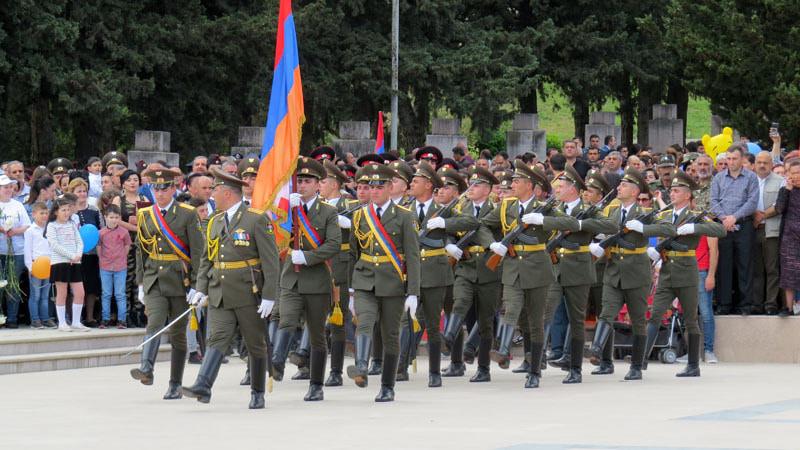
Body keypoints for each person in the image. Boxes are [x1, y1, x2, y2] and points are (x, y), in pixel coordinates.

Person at [183, 168, 279, 409]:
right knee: (216, 339)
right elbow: (207, 259)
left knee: (255, 343)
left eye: (215, 190)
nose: (212, 194)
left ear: (227, 193)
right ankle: (203, 385)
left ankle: (257, 392)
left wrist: (270, 296)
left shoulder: (256, 219)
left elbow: (270, 261)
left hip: (248, 292)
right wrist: (201, 288)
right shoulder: (215, 221)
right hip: (220, 291)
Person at [346, 163, 420, 402]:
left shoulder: (405, 216)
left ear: (389, 188)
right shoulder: (360, 215)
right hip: (364, 280)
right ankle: (361, 367)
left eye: (379, 187)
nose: (374, 191)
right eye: (371, 187)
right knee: (364, 323)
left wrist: (413, 292)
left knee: (390, 336)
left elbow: (413, 256)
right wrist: (350, 289)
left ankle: (387, 386)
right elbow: (353, 253)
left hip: (393, 282)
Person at [129, 168, 204, 400]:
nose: (159, 193)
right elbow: (141, 251)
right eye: (156, 189)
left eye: (164, 188)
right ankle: (146, 368)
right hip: (154, 278)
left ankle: (175, 383)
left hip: (180, 280)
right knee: (154, 322)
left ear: (173, 188)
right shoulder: (145, 214)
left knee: (178, 335)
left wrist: (197, 285)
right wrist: (140, 283)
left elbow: (198, 252)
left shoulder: (187, 214)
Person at [270, 157, 341, 402]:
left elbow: (333, 244)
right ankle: (277, 361)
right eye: (299, 180)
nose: (302, 185)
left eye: (308, 181)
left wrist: (308, 257)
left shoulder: (328, 212)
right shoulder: (287, 209)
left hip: (317, 280)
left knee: (317, 335)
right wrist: (283, 214)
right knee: (286, 320)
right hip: (291, 278)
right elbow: (274, 238)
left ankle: (316, 384)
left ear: (318, 185)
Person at [480, 162, 556, 388]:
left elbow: (569, 222)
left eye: (517, 181)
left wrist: (543, 220)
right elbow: (482, 225)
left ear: (529, 186)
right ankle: (503, 349)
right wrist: (492, 244)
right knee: (510, 308)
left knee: (535, 321)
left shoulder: (543, 207)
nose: (512, 184)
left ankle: (534, 370)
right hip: (513, 267)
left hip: (538, 270)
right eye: (512, 181)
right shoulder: (506, 206)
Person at [643, 171, 726, 377]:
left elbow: (720, 230)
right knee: (655, 315)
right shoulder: (664, 215)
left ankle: (693, 365)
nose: (672, 194)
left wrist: (695, 228)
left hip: (687, 272)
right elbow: (651, 229)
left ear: (688, 195)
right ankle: (640, 361)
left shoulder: (694, 216)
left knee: (690, 319)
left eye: (677, 191)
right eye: (671, 190)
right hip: (667, 271)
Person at [542, 166, 616, 384]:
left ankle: (575, 368)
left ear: (573, 189)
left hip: (578, 270)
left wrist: (581, 224)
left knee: (576, 320)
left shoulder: (588, 210)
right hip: (556, 268)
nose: (556, 189)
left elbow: (611, 225)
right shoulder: (555, 208)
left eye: (561, 186)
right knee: (545, 313)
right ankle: (535, 363)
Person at [588, 168, 662, 381]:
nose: (619, 188)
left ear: (635, 191)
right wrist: (597, 242)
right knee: (606, 313)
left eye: (624, 185)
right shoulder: (611, 212)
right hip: (613, 271)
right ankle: (597, 350)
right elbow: (599, 226)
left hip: (636, 273)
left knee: (638, 320)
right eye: (620, 184)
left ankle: (637, 365)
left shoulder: (644, 213)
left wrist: (643, 229)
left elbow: (666, 229)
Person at [441, 167, 500, 382]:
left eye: (477, 185)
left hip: (488, 269)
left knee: (485, 321)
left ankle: (483, 368)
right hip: (465, 266)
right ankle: (448, 337)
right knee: (460, 301)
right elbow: (446, 231)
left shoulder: (497, 210)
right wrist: (449, 245)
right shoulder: (460, 208)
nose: (471, 188)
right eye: (471, 184)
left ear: (487, 189)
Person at [397, 161, 451, 387]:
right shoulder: (404, 209)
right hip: (411, 273)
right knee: (405, 322)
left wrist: (445, 222)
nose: (411, 184)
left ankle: (434, 372)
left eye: (416, 181)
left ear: (428, 185)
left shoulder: (441, 209)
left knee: (432, 324)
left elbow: (469, 221)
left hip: (435, 273)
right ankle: (401, 368)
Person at [320, 160, 359, 387]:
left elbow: (364, 233)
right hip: (317, 265)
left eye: (323, 181)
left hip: (340, 267)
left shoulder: (350, 205)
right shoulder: (316, 206)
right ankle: (309, 365)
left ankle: (335, 371)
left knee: (338, 319)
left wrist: (350, 224)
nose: (319, 185)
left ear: (334, 184)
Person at [710, 144, 759, 315]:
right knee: (724, 265)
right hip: (723, 226)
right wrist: (725, 218)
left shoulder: (751, 177)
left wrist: (734, 217)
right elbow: (713, 201)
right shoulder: (718, 178)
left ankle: (745, 304)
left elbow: (752, 202)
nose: (731, 162)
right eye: (728, 159)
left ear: (742, 159)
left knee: (745, 264)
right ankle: (724, 304)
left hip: (744, 224)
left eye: (734, 159)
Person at [46, 196, 88, 332]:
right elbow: (54, 245)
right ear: (56, 212)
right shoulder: (52, 226)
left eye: (68, 210)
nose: (66, 213)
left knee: (80, 292)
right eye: (63, 210)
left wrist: (78, 254)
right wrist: (71, 256)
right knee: (62, 293)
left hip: (75, 262)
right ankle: (62, 323)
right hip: (60, 263)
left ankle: (76, 322)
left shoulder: (72, 224)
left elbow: (79, 241)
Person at [112, 169, 147, 327]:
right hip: (124, 243)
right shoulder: (118, 200)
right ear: (123, 183)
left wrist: (140, 224)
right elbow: (116, 220)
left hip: (141, 243)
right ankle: (124, 314)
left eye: (135, 179)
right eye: (129, 180)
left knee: (140, 277)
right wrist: (134, 227)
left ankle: (139, 312)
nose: (133, 183)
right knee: (126, 277)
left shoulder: (144, 199)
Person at [67, 178, 102, 326]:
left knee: (91, 286)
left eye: (84, 191)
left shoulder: (94, 210)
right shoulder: (68, 211)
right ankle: (73, 317)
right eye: (79, 191)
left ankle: (89, 317)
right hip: (73, 255)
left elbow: (100, 230)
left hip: (91, 254)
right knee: (73, 287)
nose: (82, 194)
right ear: (72, 193)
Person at [751, 152, 784, 314]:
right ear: (754, 164)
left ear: (771, 164)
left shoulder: (780, 181)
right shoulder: (749, 180)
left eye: (765, 162)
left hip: (771, 230)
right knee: (756, 269)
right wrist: (753, 215)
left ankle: (771, 304)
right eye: (759, 162)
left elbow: (780, 204)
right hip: (753, 230)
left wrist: (762, 216)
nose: (762, 165)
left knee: (772, 268)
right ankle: (756, 304)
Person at [0, 175, 31, 328]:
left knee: (13, 284)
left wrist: (14, 231)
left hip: (17, 251)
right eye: (4, 187)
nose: (8, 190)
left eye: (10, 187)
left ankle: (12, 318)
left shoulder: (18, 205)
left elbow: (27, 225)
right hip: (1, 251)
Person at [97, 204, 132, 329]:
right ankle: (105, 319)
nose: (114, 220)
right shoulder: (101, 233)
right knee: (106, 293)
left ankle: (122, 320)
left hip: (120, 267)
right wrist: (102, 259)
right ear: (105, 217)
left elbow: (127, 245)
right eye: (111, 217)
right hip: (105, 267)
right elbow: (99, 246)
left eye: (116, 217)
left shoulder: (124, 232)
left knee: (120, 294)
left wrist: (122, 256)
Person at [24, 202, 55, 329]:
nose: (44, 216)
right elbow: (27, 250)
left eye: (46, 213)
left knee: (45, 295)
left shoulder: (50, 229)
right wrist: (30, 267)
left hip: (48, 266)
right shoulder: (30, 231)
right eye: (41, 213)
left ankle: (45, 318)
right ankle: (35, 320)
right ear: (33, 214)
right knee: (35, 295)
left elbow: (52, 248)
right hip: (36, 267)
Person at [775, 161, 800, 317]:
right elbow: (779, 209)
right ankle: (788, 308)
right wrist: (787, 190)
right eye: (793, 173)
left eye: (798, 173)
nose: (796, 176)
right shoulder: (785, 190)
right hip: (789, 237)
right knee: (788, 272)